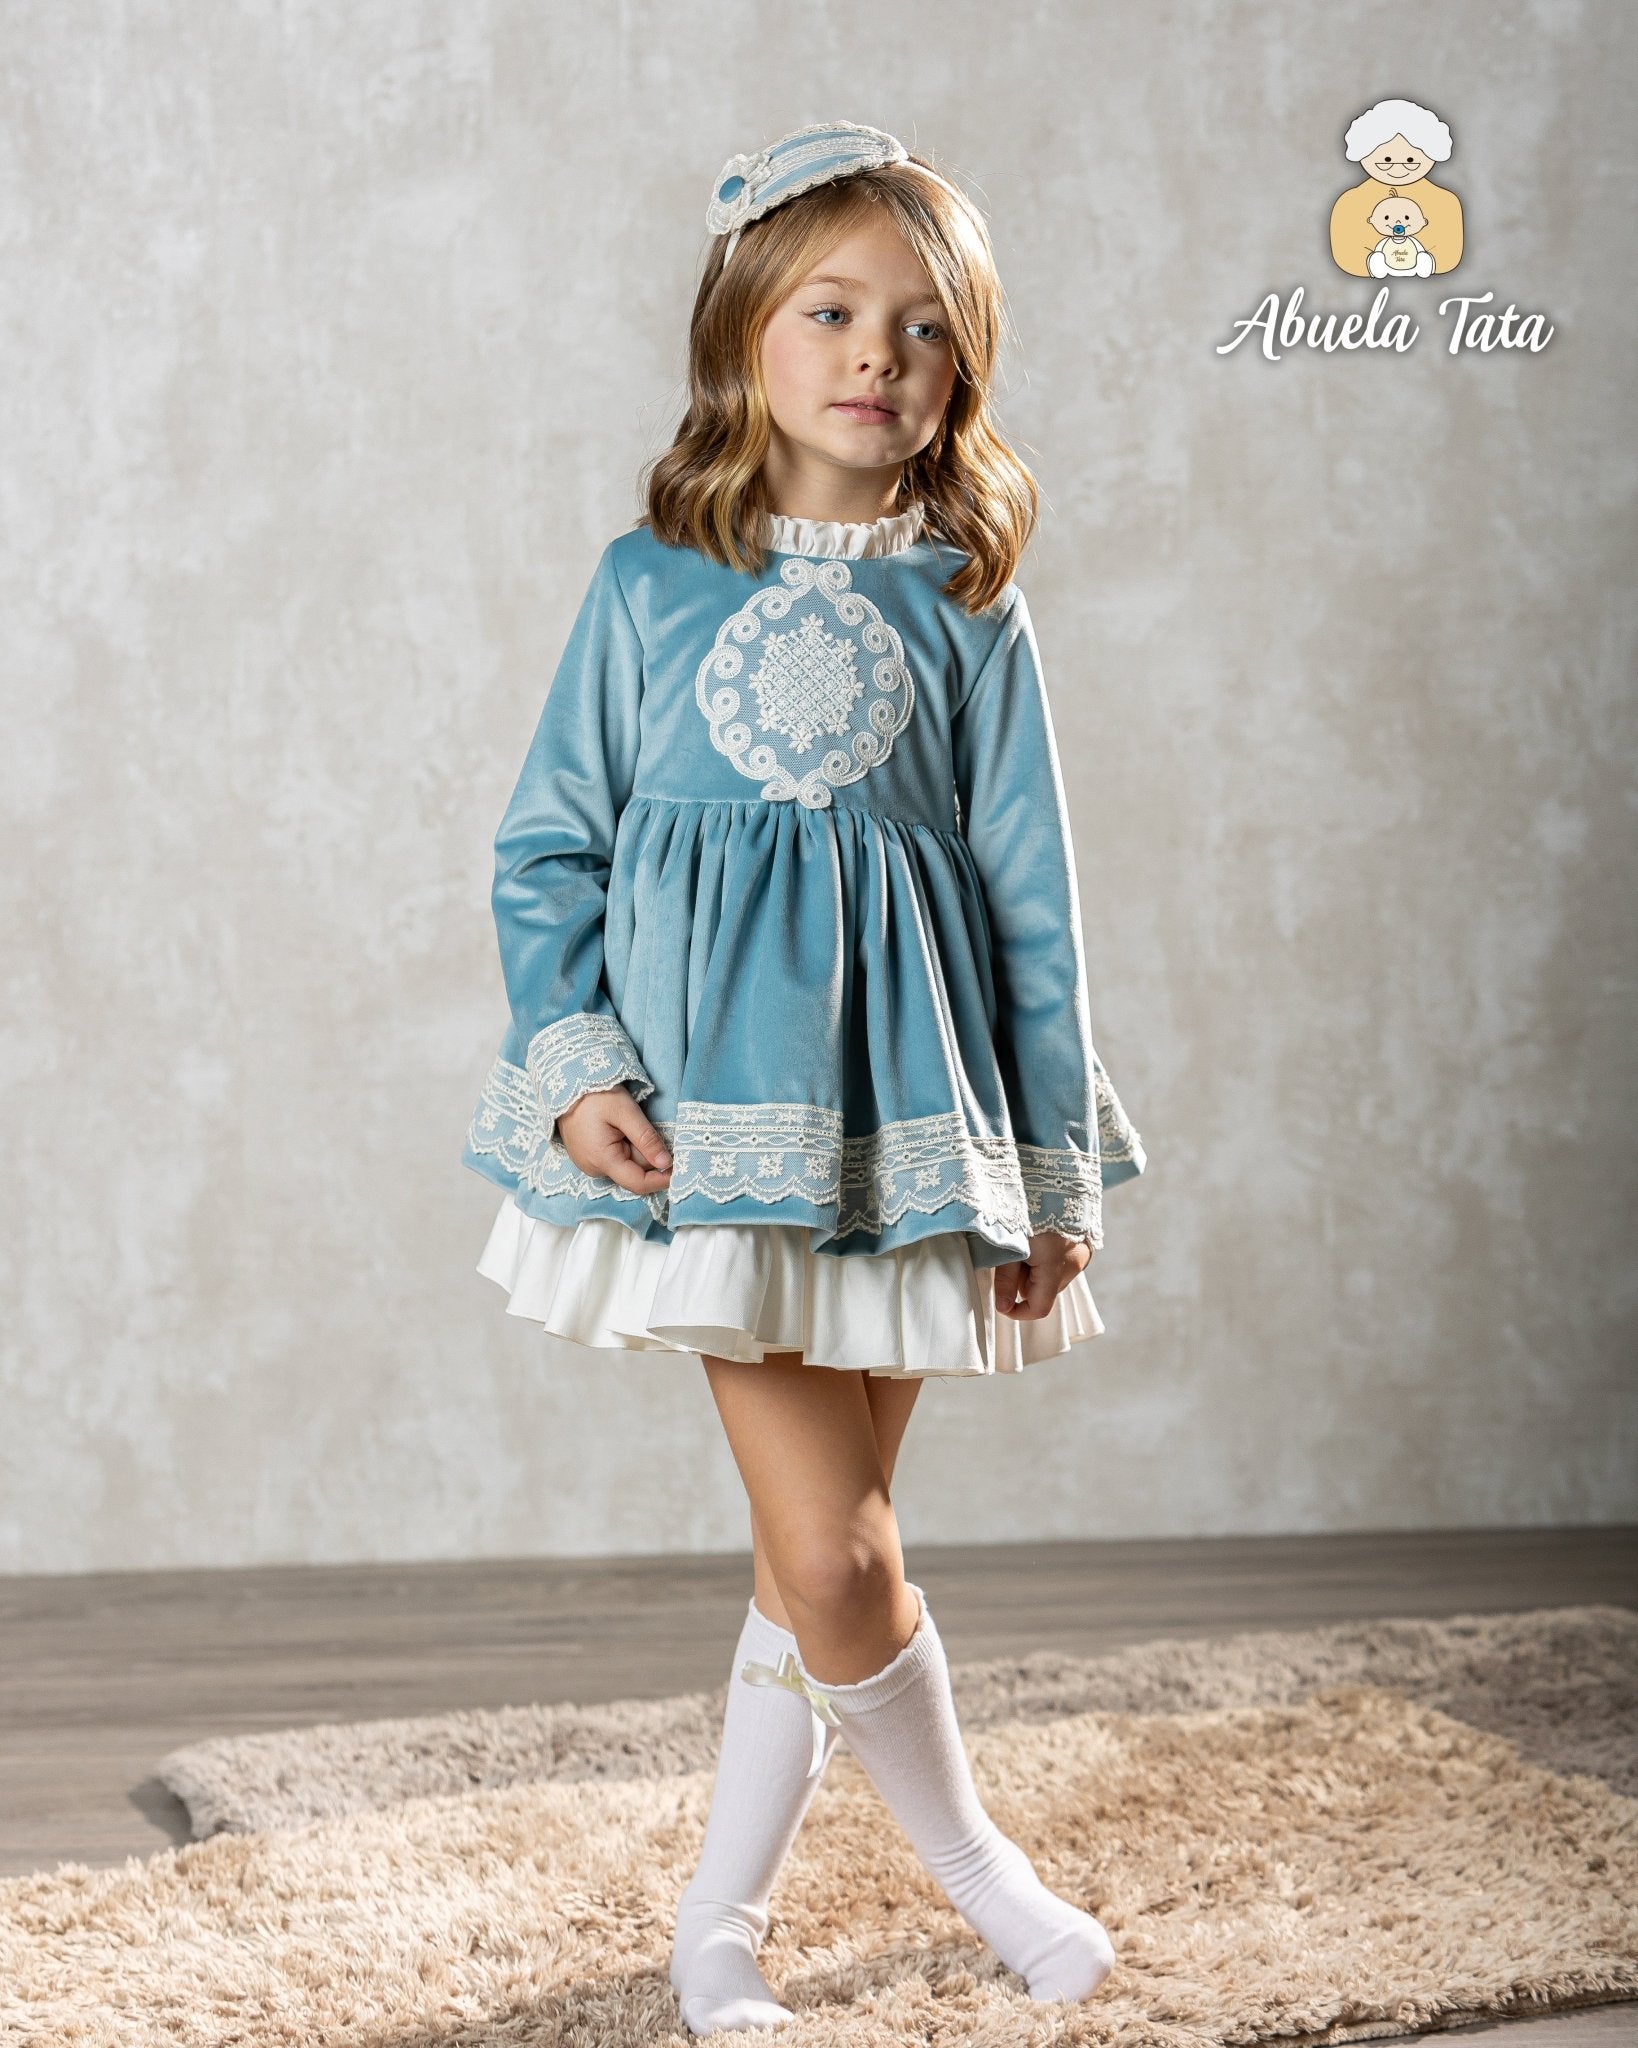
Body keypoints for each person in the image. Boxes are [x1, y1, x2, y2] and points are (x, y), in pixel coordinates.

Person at [460, 119, 1149, 2035]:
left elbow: (1030, 901)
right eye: (831, 312)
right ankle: (986, 1876)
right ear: (742, 336)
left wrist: (1052, 1172)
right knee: (839, 1555)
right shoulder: (646, 584)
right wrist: (575, 1059)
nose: (875, 356)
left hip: (908, 1143)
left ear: (962, 369)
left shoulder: (967, 603)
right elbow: (548, 849)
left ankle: (719, 1929)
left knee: (812, 1561)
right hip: (710, 1140)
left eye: (922, 328)